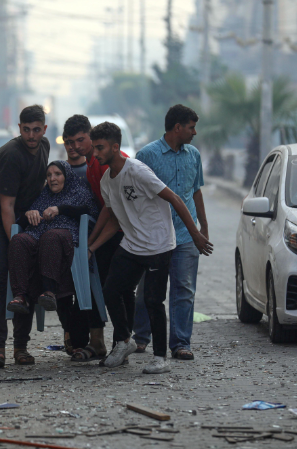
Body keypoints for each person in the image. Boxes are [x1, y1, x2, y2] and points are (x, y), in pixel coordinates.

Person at [87, 122, 213, 374]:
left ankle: (160, 358)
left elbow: (174, 199)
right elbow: (113, 218)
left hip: (158, 244)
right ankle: (124, 342)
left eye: (99, 148)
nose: (95, 153)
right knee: (111, 290)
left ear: (115, 147)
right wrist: (92, 247)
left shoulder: (137, 171)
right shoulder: (106, 180)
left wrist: (196, 234)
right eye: (94, 148)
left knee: (154, 301)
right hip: (132, 245)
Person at [0, 105, 50, 368]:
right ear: (19, 129)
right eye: (26, 130)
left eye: (36, 130)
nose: (31, 135)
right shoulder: (12, 156)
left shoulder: (45, 147)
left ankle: (20, 347)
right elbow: (6, 207)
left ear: (44, 130)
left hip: (17, 218)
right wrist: (16, 242)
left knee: (23, 276)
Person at [132, 104, 210, 360]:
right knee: (148, 291)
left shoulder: (193, 155)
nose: (194, 132)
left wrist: (204, 228)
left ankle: (180, 343)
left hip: (187, 236)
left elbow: (196, 191)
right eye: (191, 127)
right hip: (155, 237)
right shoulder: (147, 155)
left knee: (184, 290)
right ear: (177, 127)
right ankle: (141, 337)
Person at [60, 115, 129, 364]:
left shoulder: (106, 163)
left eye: (81, 140)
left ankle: (124, 342)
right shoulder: (91, 164)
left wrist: (92, 245)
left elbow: (115, 215)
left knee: (116, 290)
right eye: (70, 142)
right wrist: (91, 243)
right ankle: (101, 342)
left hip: (126, 234)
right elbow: (105, 210)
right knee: (95, 286)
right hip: (109, 230)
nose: (76, 146)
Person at [7, 161, 99, 315]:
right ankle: (20, 296)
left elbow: (89, 211)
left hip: (66, 234)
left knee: (51, 237)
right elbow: (22, 222)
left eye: (57, 174)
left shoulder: (79, 191)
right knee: (18, 240)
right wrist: (29, 214)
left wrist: (60, 209)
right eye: (49, 175)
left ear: (67, 175)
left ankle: (49, 292)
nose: (52, 178)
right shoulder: (44, 195)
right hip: (38, 234)